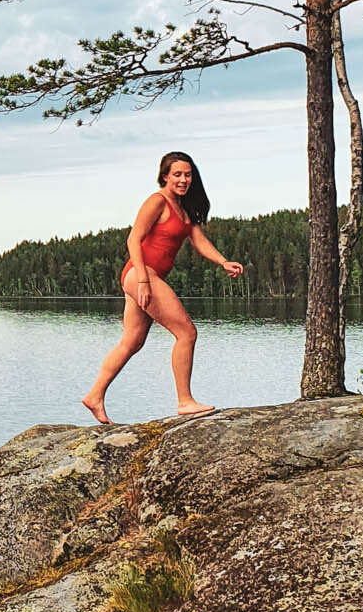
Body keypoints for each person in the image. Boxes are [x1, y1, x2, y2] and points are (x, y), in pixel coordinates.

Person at [81, 151, 244, 424]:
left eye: (188, 174)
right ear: (165, 176)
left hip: (143, 277)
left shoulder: (182, 208)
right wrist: (144, 280)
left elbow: (198, 240)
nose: (183, 180)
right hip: (141, 275)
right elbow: (133, 240)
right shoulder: (157, 201)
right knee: (186, 332)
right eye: (177, 174)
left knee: (131, 341)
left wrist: (223, 262)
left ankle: (94, 396)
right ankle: (185, 401)